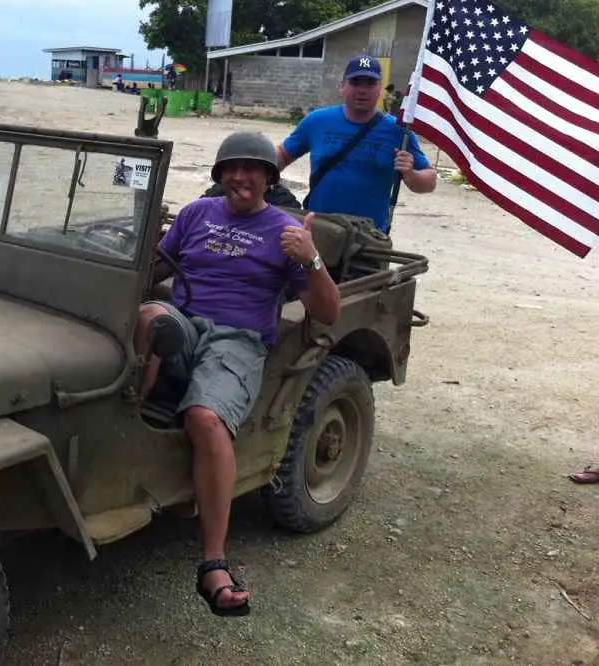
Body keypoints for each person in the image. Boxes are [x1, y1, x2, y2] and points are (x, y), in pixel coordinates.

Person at [135, 131, 341, 617]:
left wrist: (310, 257)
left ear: (269, 178)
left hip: (237, 338)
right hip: (184, 323)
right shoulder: (195, 215)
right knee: (147, 316)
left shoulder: (285, 231)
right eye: (231, 169)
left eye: (252, 169)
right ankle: (128, 422)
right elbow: (154, 268)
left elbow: (328, 312)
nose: (240, 177)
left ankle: (213, 561)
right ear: (220, 176)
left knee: (205, 417)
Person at [276, 55, 438, 234]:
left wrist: (410, 174)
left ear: (380, 89)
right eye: (355, 82)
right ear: (342, 87)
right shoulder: (317, 121)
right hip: (318, 230)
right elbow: (282, 155)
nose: (362, 90)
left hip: (369, 238)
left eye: (370, 83)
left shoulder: (398, 131)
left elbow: (429, 181)